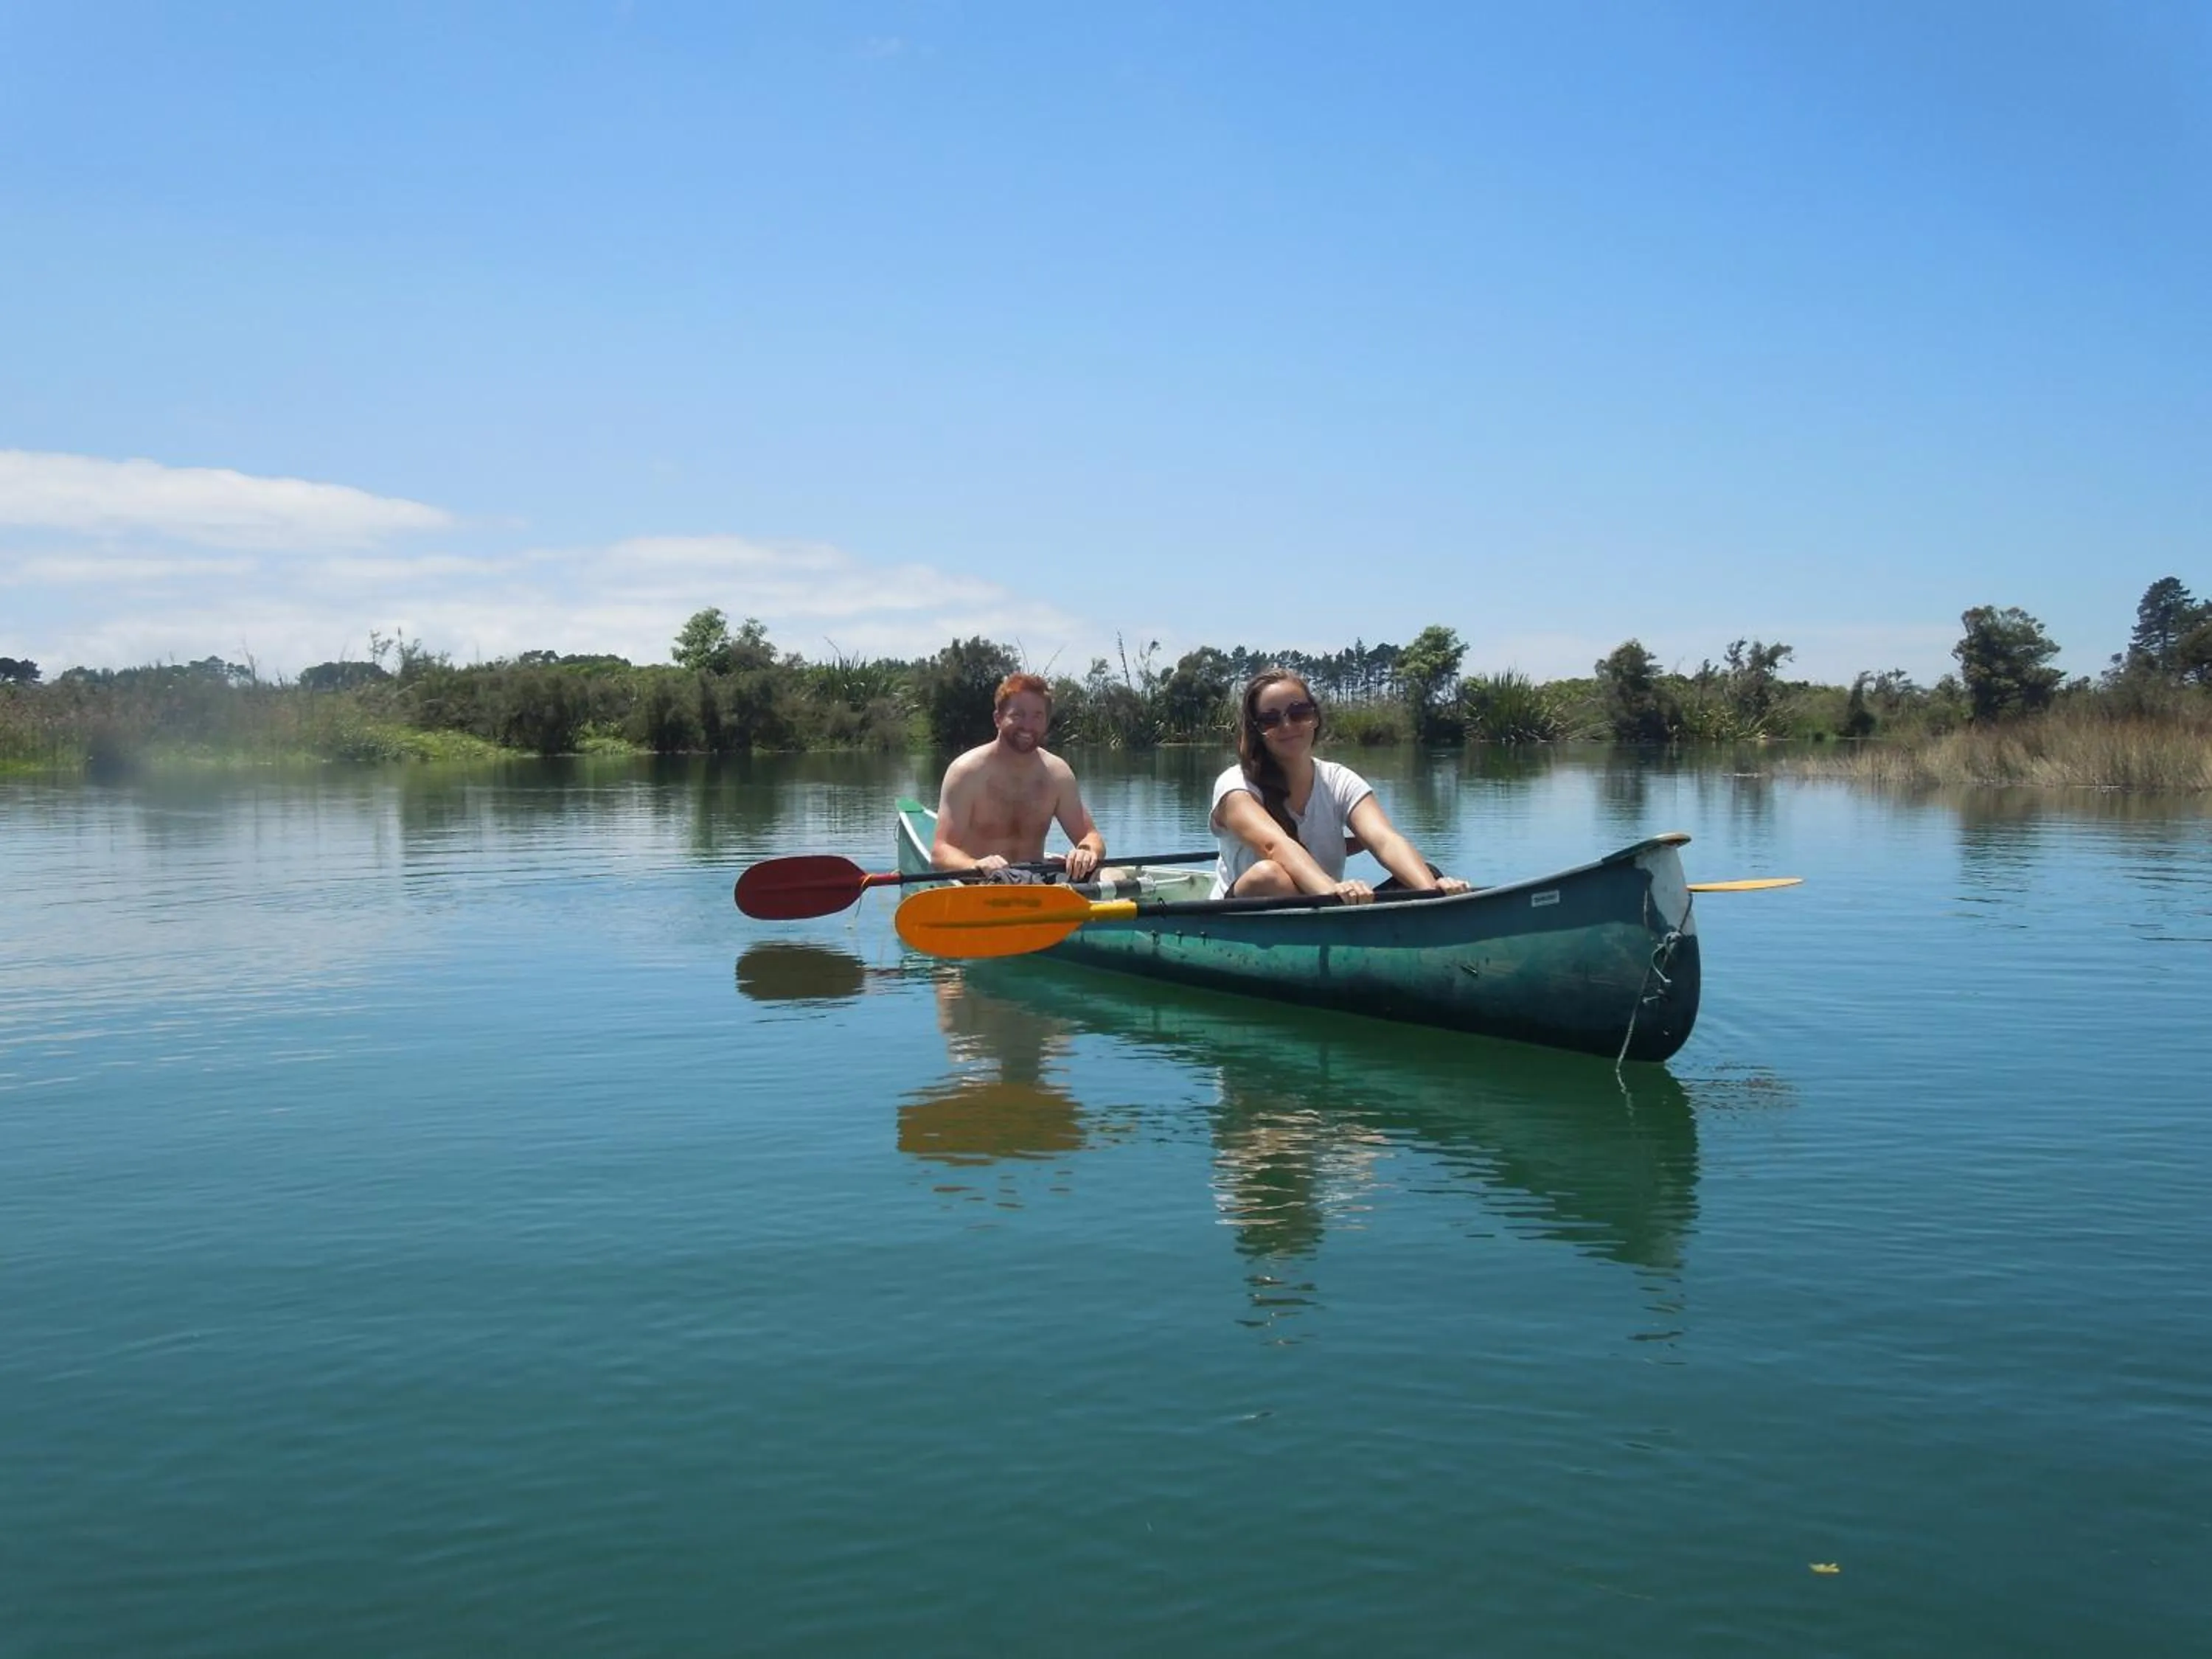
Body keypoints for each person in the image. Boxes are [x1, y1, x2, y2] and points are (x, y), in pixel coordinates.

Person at [1211, 669, 1472, 902]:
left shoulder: (1339, 779)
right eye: (1270, 720)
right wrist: (1334, 893)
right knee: (1269, 875)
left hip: (1325, 907)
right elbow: (1275, 846)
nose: (1287, 725)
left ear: (1314, 718)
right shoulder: (1236, 786)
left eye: (1298, 713)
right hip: (1246, 910)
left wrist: (1434, 894)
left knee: (1424, 874)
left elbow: (1384, 840)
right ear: (1258, 730)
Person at [932, 672, 1106, 883]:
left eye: (1037, 716)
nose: (1028, 726)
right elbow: (941, 851)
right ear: (998, 719)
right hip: (981, 881)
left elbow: (1092, 837)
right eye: (1018, 715)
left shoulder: (1058, 774)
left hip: (1034, 879)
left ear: (1046, 722)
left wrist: (1086, 851)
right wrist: (974, 864)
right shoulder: (966, 773)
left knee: (1112, 875)